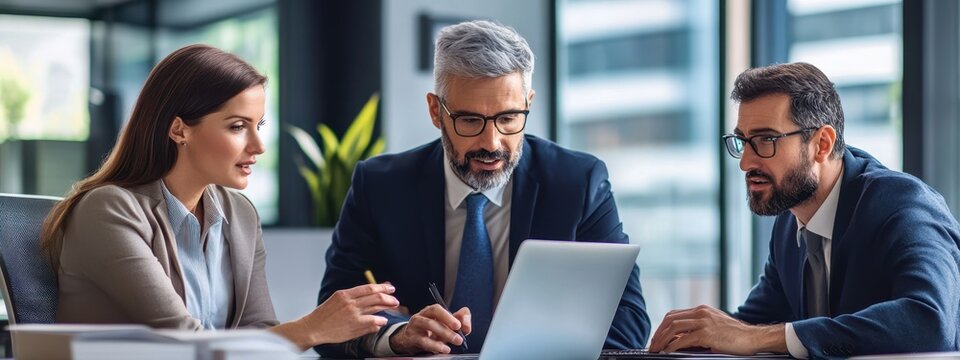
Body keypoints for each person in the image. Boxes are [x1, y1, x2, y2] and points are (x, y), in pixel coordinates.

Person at [316, 20, 650, 358]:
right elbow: (329, 326)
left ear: (528, 104)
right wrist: (398, 336)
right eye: (470, 120)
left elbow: (631, 325)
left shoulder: (578, 182)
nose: (491, 143)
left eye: (508, 118)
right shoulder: (380, 187)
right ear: (436, 111)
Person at [40, 44, 400, 352]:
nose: (258, 146)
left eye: (258, 126)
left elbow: (259, 331)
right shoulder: (109, 211)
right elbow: (183, 345)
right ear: (179, 129)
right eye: (237, 126)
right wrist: (313, 328)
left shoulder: (239, 213)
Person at [649, 62, 960, 358]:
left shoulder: (902, 206)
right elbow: (751, 327)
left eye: (766, 139)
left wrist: (755, 337)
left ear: (822, 144)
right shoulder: (790, 224)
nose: (746, 163)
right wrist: (699, 336)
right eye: (743, 141)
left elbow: (929, 322)